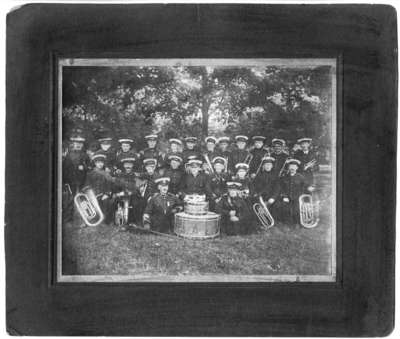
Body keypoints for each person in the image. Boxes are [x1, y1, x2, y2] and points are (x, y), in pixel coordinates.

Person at [278, 158, 314, 227]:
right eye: (290, 166)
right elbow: (281, 188)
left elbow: (306, 185)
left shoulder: (300, 177)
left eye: (294, 167)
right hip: (287, 197)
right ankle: (287, 222)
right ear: (288, 167)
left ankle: (297, 222)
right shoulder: (284, 177)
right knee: (283, 208)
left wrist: (309, 187)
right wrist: (284, 196)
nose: (292, 168)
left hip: (297, 198)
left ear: (297, 168)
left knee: (296, 209)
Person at [84, 153, 115, 224]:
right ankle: (91, 219)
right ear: (95, 163)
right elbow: (87, 185)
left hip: (103, 194)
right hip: (93, 195)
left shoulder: (106, 174)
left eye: (102, 162)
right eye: (98, 163)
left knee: (106, 201)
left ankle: (105, 220)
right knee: (85, 203)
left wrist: (107, 194)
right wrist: (90, 194)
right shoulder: (90, 173)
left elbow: (109, 186)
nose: (100, 164)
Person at [113, 157, 137, 229]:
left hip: (132, 196)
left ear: (132, 166)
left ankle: (133, 221)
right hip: (121, 195)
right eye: (126, 165)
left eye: (130, 165)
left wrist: (132, 192)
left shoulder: (135, 176)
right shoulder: (119, 175)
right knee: (113, 202)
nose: (128, 167)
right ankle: (115, 220)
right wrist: (118, 193)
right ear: (124, 166)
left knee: (136, 204)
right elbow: (115, 186)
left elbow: (137, 187)